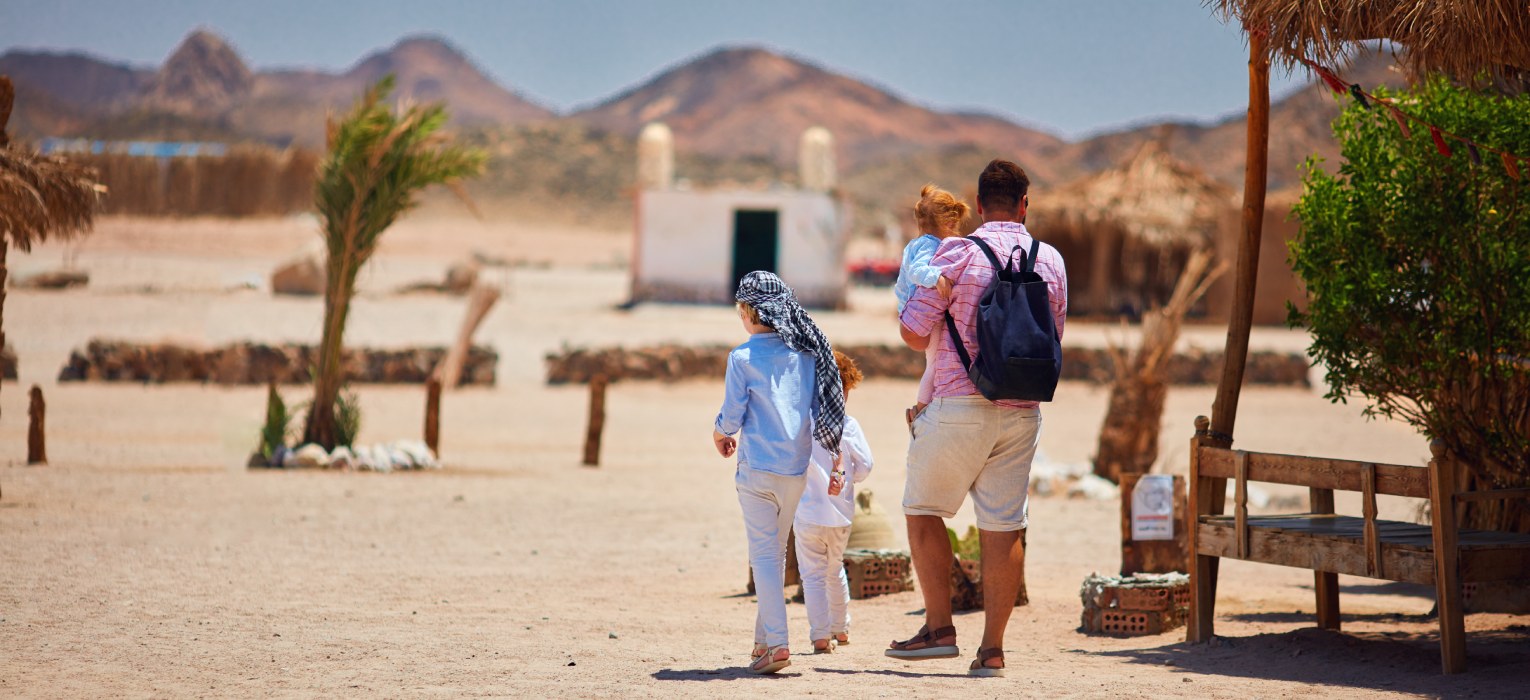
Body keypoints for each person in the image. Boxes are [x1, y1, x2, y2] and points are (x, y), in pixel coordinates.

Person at [886, 159, 1067, 677]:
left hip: (958, 404)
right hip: (1023, 409)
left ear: (980, 205)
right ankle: (992, 650)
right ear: (1026, 205)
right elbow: (1054, 332)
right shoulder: (1050, 259)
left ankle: (939, 629)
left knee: (923, 510)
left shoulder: (958, 252)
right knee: (1004, 526)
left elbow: (915, 332)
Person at [713, 271, 845, 676]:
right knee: (773, 552)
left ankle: (779, 646)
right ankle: (764, 642)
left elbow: (732, 415)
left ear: (749, 312)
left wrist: (719, 433)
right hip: (795, 470)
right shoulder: (806, 355)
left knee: (765, 556)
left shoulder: (742, 358)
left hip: (757, 470)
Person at [793, 350, 874, 654]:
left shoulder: (803, 423)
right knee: (835, 570)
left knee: (812, 576)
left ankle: (820, 636)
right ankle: (841, 628)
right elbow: (865, 467)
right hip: (841, 516)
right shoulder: (849, 426)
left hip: (808, 513)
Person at [892, 184, 968, 429]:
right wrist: (937, 278)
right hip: (917, 313)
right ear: (948, 222)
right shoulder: (928, 244)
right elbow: (917, 271)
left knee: (934, 361)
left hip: (911, 311)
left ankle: (925, 406)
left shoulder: (919, 243)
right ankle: (920, 410)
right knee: (935, 362)